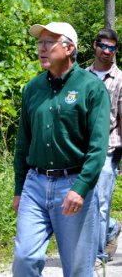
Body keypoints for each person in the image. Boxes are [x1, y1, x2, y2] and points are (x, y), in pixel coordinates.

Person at [12, 22, 110, 277]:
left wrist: (81, 188)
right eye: (39, 43)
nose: (41, 49)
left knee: (77, 268)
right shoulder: (33, 88)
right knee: (24, 259)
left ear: (69, 48)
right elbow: (23, 142)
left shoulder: (91, 87)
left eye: (48, 43)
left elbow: (98, 147)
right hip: (35, 184)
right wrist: (18, 188)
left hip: (73, 183)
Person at [86, 29, 122, 267]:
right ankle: (112, 227)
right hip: (80, 150)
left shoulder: (120, 79)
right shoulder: (80, 76)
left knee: (100, 203)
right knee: (83, 201)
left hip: (108, 148)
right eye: (104, 46)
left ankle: (97, 256)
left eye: (112, 48)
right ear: (95, 46)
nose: (107, 51)